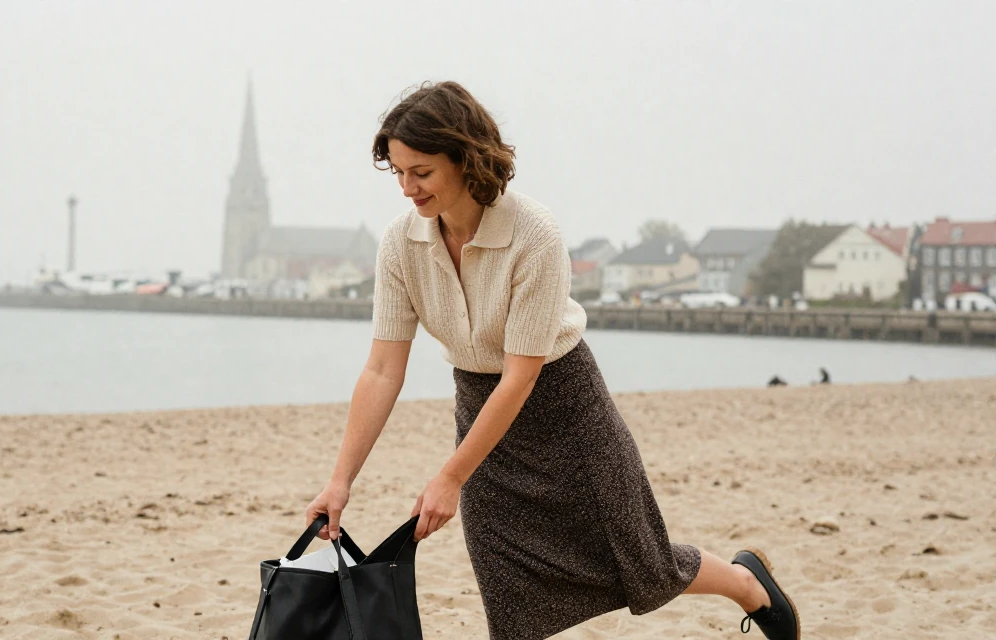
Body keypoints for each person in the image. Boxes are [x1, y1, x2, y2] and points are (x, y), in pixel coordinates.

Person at [304, 81, 800, 640]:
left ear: (466, 158)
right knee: (509, 593)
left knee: (643, 562)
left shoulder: (534, 234)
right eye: (397, 171)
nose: (405, 188)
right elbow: (382, 370)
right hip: (481, 414)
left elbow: (521, 375)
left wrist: (449, 477)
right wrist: (340, 481)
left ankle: (748, 584)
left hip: (565, 405)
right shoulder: (400, 244)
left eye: (420, 171)